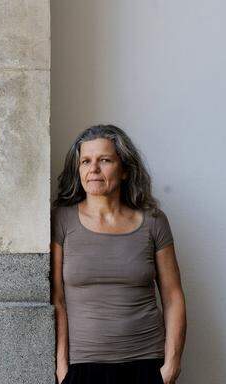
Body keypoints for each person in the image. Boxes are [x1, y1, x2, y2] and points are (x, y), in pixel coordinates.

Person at [51, 125, 186, 384]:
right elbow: (57, 299)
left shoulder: (153, 221)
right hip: (83, 367)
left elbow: (173, 295)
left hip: (146, 364)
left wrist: (171, 366)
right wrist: (61, 368)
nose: (94, 170)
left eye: (105, 160)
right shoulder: (61, 220)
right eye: (86, 161)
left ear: (124, 170)